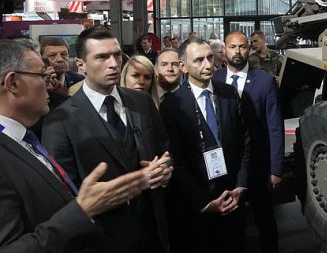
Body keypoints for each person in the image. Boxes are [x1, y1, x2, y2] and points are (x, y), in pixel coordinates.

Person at [0, 39, 150, 251]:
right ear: (12, 83)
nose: (49, 83)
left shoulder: (25, 138)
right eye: (42, 76)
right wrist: (82, 210)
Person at [42, 27, 173, 253]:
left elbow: (166, 151)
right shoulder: (60, 121)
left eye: (117, 55)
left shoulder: (141, 101)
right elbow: (63, 194)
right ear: (80, 64)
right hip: (102, 239)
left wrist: (164, 170)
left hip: (154, 232)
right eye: (102, 57)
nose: (113, 63)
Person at [160, 37, 251, 253]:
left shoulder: (229, 94)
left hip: (232, 198)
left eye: (210, 57)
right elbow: (177, 162)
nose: (208, 65)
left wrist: (240, 185)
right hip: (197, 207)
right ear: (183, 66)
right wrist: (204, 203)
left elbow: (245, 141)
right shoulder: (172, 106)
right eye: (199, 60)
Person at [216, 31, 283, 253]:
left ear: (249, 49)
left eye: (242, 47)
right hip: (225, 165)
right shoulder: (214, 80)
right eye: (232, 47)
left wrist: (275, 168)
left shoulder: (264, 81)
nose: (237, 51)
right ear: (224, 50)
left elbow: (275, 126)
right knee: (231, 220)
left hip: (257, 163)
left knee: (264, 217)